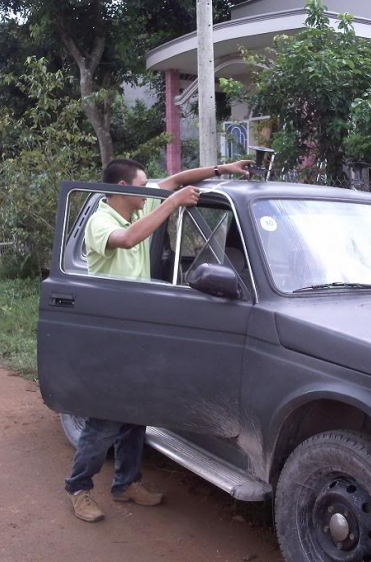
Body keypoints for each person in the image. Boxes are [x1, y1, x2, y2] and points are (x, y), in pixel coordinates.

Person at [66, 157, 252, 523]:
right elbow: (130, 238)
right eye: (142, 185)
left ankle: (126, 484)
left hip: (139, 325)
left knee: (138, 412)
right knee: (105, 419)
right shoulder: (101, 222)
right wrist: (172, 203)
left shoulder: (138, 204)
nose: (150, 189)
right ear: (124, 189)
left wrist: (223, 169)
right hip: (110, 331)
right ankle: (78, 488)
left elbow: (177, 179)